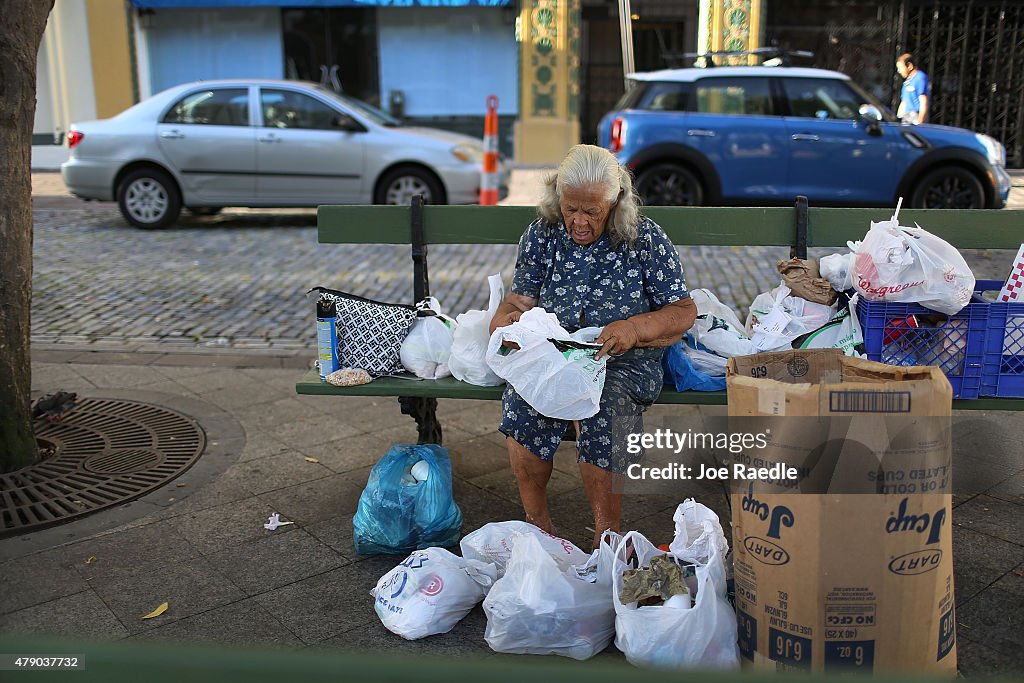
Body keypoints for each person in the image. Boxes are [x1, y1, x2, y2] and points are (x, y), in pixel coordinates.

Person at [488, 144, 696, 549]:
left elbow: (683, 310)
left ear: (615, 203)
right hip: (555, 354)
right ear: (557, 199)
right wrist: (507, 323)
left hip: (622, 360)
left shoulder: (645, 239)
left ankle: (607, 536)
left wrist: (634, 328)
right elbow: (519, 301)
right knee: (523, 401)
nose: (579, 222)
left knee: (603, 407)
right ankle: (539, 529)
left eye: (592, 212)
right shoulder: (542, 233)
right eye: (571, 209)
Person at [896, 53, 929, 124]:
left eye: (900, 68)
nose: (899, 71)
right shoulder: (907, 81)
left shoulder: (920, 77)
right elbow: (904, 101)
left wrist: (920, 121)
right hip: (905, 117)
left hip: (915, 117)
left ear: (909, 66)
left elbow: (923, 101)